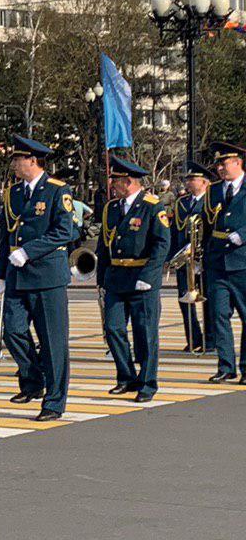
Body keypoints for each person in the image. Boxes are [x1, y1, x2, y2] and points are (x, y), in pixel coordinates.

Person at [0, 136, 75, 422]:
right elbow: (7, 235)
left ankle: (54, 401)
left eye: (18, 159)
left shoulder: (57, 191)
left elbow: (64, 232)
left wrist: (29, 251)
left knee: (53, 342)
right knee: (12, 331)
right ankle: (33, 380)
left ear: (32, 160)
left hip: (47, 276)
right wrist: (1, 273)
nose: (14, 164)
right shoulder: (12, 193)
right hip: (17, 274)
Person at [95, 155, 171, 403]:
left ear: (127, 182)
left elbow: (162, 244)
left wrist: (149, 276)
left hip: (142, 278)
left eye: (115, 180)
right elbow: (103, 245)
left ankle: (148, 382)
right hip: (117, 278)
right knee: (113, 329)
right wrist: (100, 277)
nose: (111, 185)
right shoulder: (111, 208)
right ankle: (126, 376)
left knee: (145, 332)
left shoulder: (152, 206)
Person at [203, 141, 246, 384]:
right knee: (219, 315)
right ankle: (226, 366)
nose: (220, 168)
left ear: (238, 162)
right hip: (218, 262)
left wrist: (243, 234)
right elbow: (207, 224)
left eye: (224, 163)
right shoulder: (213, 190)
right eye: (218, 164)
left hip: (243, 261)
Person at [171, 161, 214, 354]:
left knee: (208, 300)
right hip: (185, 259)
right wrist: (171, 257)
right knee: (185, 299)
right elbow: (174, 231)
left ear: (204, 182)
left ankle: (210, 340)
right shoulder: (181, 202)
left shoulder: (212, 201)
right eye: (187, 179)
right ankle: (193, 338)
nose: (188, 182)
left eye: (192, 179)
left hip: (204, 258)